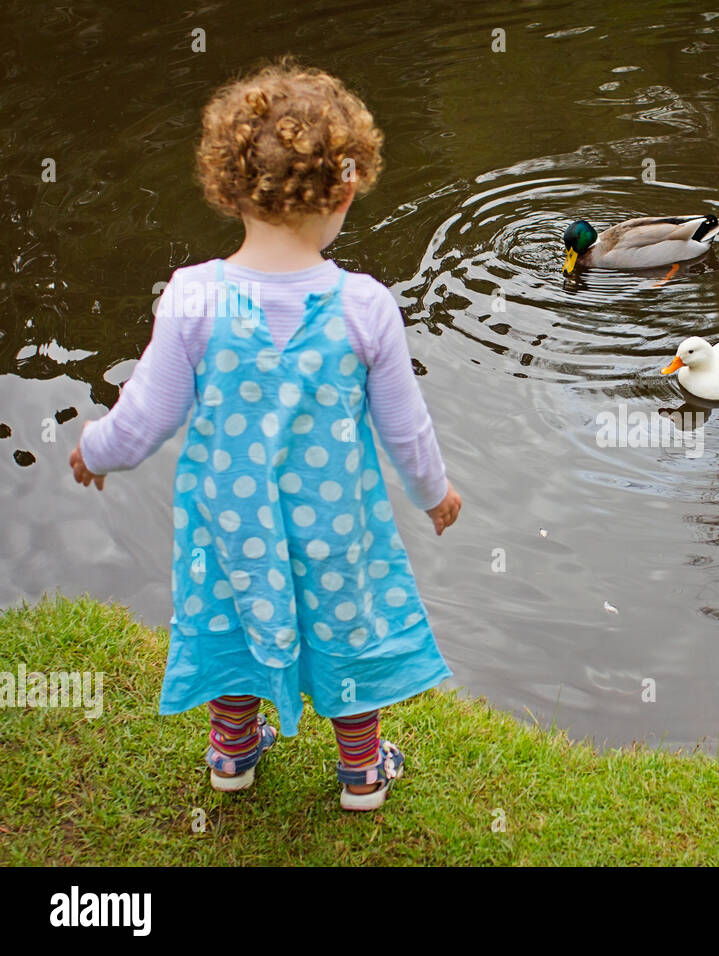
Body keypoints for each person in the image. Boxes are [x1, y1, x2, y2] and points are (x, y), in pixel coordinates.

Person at [69, 61, 461, 811]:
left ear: (228, 188)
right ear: (346, 190)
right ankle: (360, 774)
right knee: (348, 631)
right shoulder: (364, 307)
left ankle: (233, 755)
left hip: (229, 525)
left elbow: (148, 415)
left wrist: (96, 449)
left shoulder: (194, 298)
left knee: (232, 619)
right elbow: (406, 429)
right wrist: (435, 494)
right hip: (337, 528)